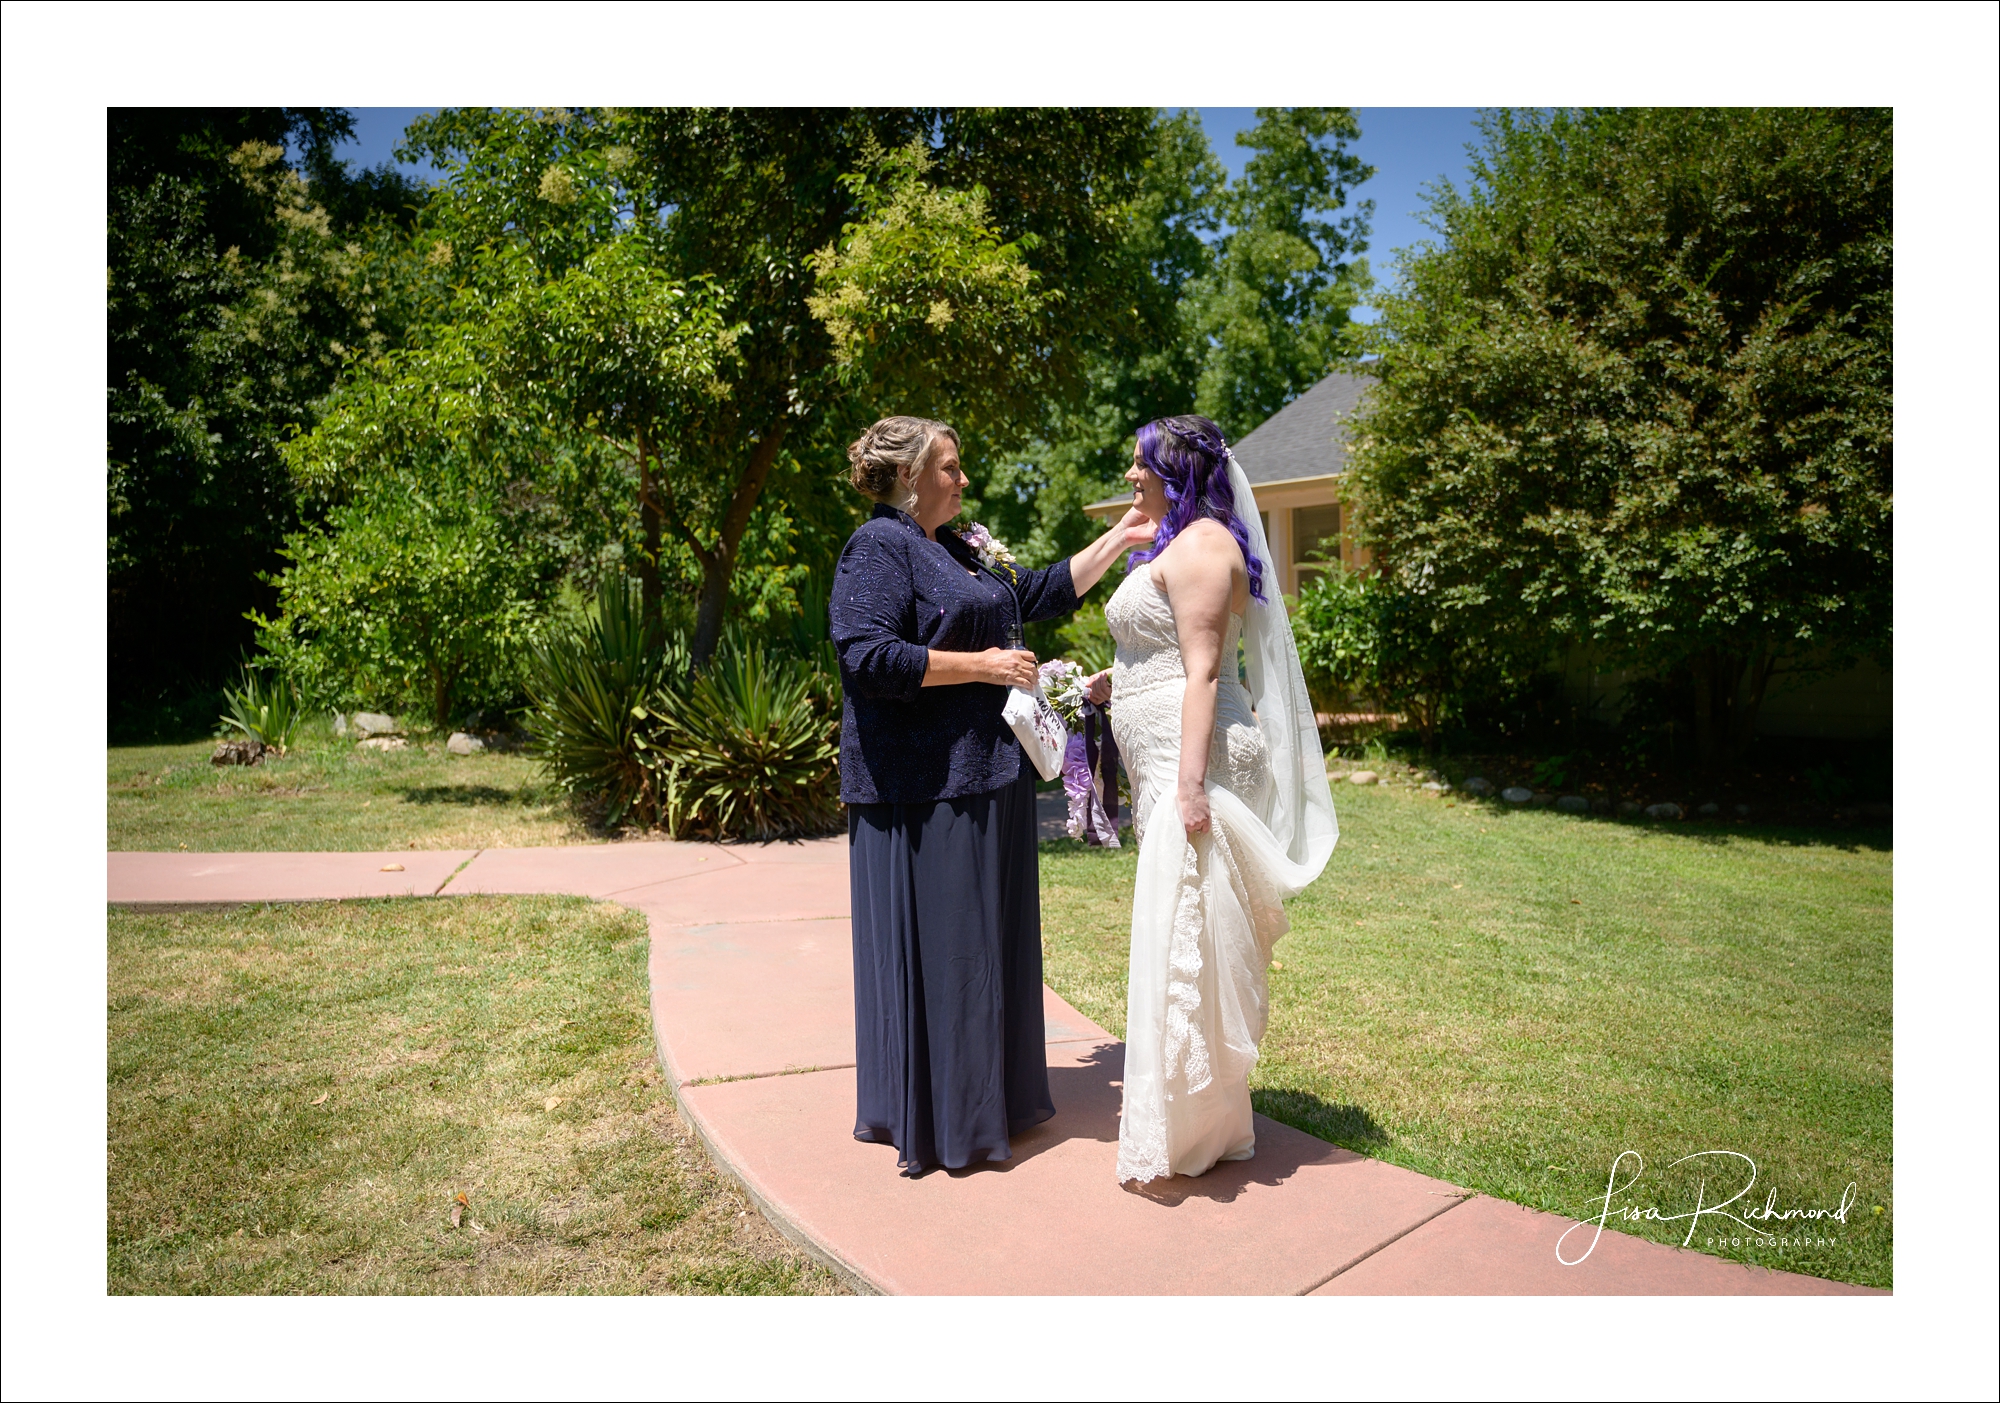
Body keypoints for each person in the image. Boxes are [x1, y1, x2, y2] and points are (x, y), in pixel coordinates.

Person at [830, 415, 1149, 1176]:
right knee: (954, 951)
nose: (962, 478)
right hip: (922, 787)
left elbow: (1034, 593)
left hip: (989, 774)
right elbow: (867, 655)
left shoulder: (964, 546)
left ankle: (990, 1098)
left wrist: (1124, 536)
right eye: (949, 466)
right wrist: (985, 667)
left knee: (987, 948)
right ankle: (948, 1120)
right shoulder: (878, 546)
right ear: (909, 478)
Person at [1084, 414, 1339, 1183]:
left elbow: (1202, 672)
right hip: (1167, 754)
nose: (1130, 476)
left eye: (1141, 465)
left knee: (1190, 924)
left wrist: (1192, 785)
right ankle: (1199, 1113)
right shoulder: (1177, 542)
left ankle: (1195, 1125)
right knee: (1180, 922)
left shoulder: (1201, 547)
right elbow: (1166, 653)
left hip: (1196, 762)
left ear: (1177, 470)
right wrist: (1116, 679)